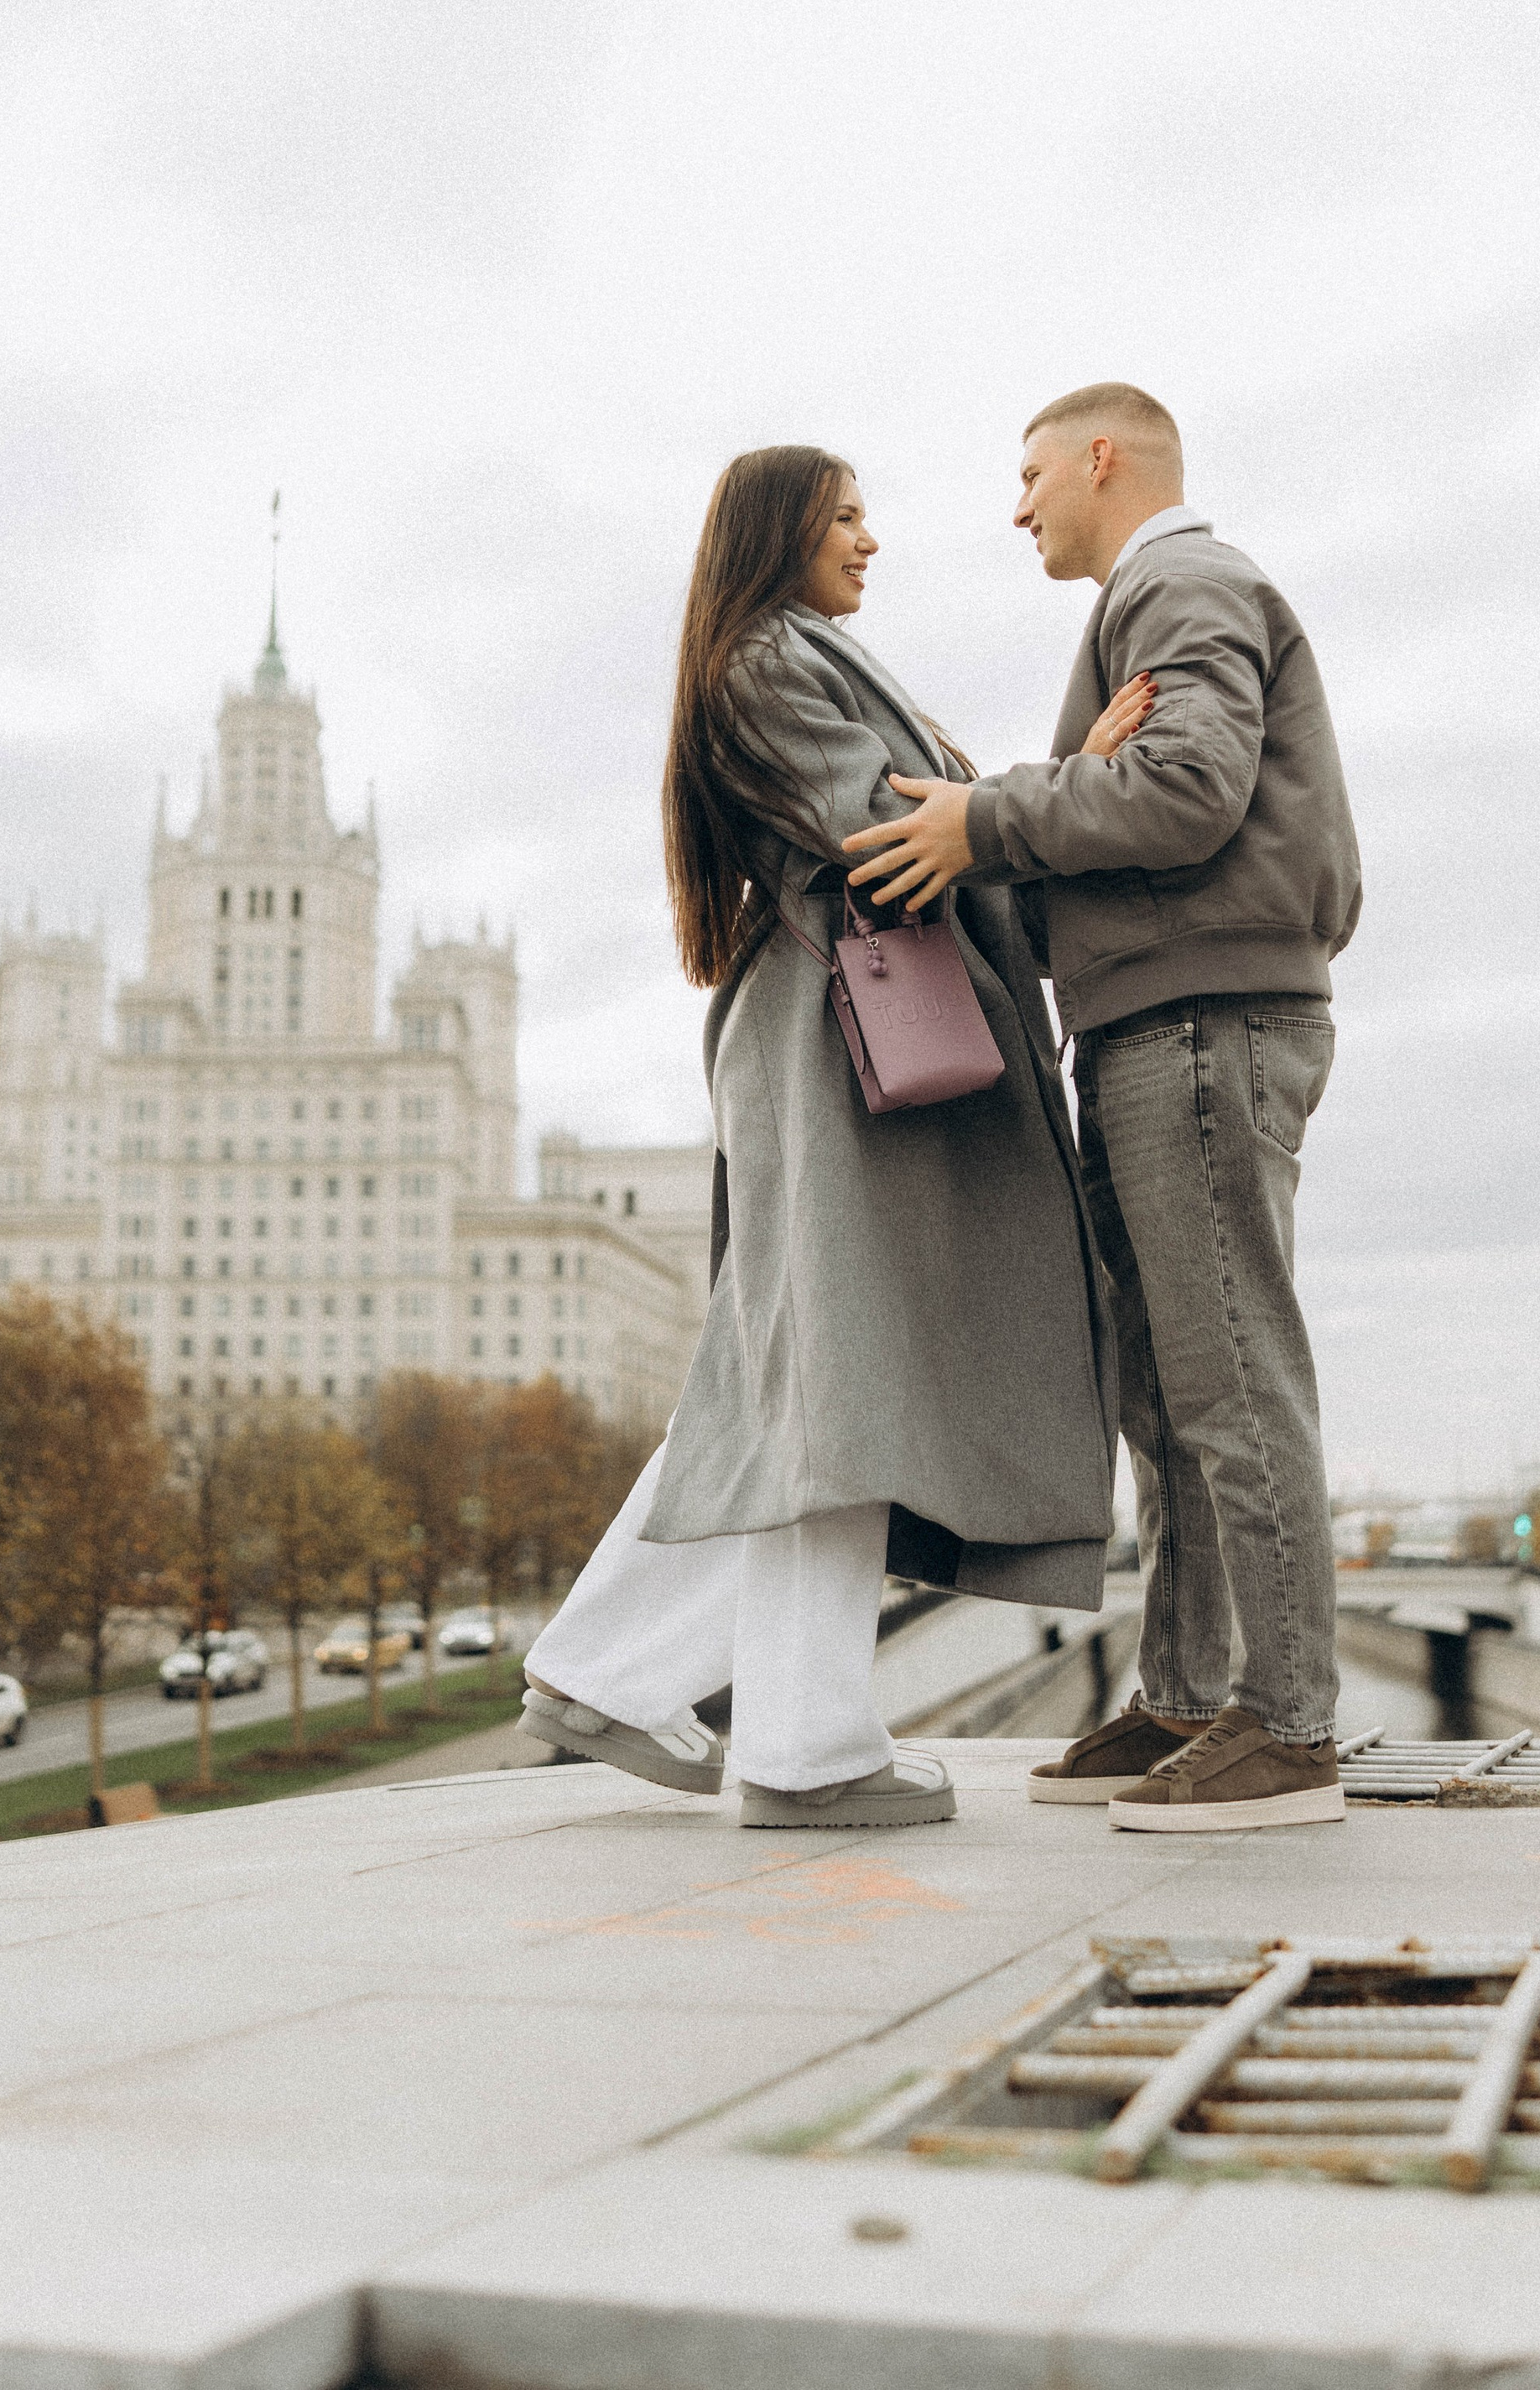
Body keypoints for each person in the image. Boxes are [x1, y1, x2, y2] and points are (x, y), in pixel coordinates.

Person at [520, 445, 1140, 1828]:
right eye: (849, 516)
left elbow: (927, 827)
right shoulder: (766, 664)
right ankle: (801, 1746)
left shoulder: (782, 658)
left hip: (844, 1031)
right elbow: (889, 831)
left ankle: (611, 1668)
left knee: (797, 1371)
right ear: (781, 527)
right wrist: (1060, 787)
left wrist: (1013, 800)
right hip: (847, 1038)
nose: (873, 540)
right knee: (837, 1379)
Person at [842, 383, 1363, 1834]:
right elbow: (1157, 787)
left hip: (1199, 1019)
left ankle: (1288, 1724)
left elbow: (1191, 788)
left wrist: (992, 817)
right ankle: (1195, 1697)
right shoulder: (1152, 600)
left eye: (1028, 476)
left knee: (1228, 1376)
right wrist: (1072, 775)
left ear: (1100, 458)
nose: (1018, 509)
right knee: (1161, 1386)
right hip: (1151, 1017)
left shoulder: (1181, 580)